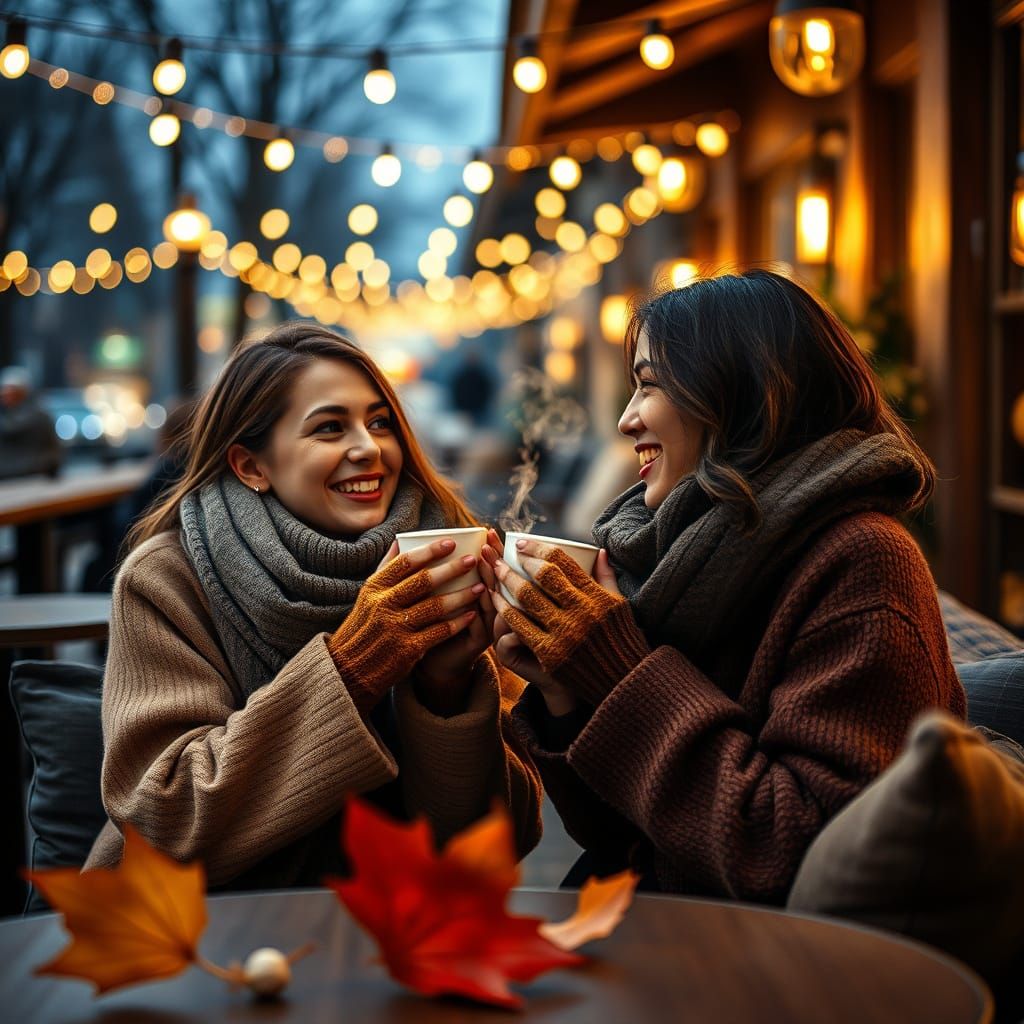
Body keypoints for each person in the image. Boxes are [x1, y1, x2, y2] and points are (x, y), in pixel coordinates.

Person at [481, 269, 966, 904]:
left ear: (739, 396)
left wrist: (614, 672)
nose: (627, 421)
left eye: (649, 385)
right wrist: (563, 691)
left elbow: (790, 855)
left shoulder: (862, 560)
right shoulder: (696, 559)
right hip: (667, 926)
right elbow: (619, 836)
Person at [85, 322, 541, 889]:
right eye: (329, 428)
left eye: (380, 422)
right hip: (206, 934)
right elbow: (160, 820)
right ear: (251, 465)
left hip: (398, 926)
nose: (368, 447)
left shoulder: (446, 554)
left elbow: (498, 848)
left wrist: (445, 692)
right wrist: (354, 666)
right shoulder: (167, 578)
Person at [0, 365, 62, 479]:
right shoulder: (4, 418)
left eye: (11, 390)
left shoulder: (40, 417)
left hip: (33, 478)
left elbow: (53, 451)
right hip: (7, 480)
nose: (6, 394)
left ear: (23, 392)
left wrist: (46, 466)